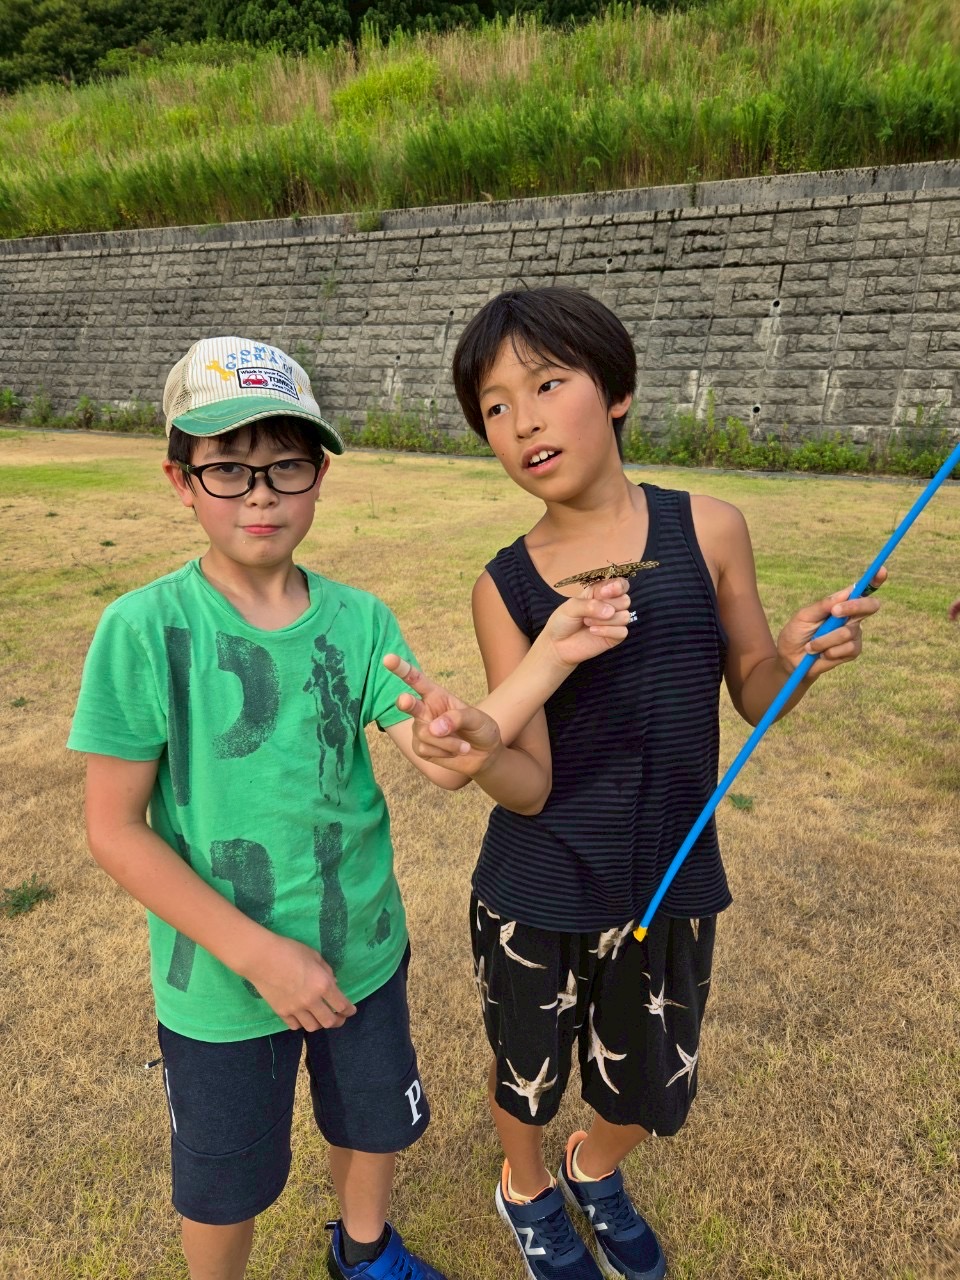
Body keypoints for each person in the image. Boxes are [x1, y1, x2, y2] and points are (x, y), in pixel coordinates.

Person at [66, 336, 635, 1280]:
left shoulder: (361, 621)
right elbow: (114, 829)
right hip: (222, 987)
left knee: (373, 1126)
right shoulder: (141, 630)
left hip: (364, 956)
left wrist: (535, 668)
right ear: (180, 482)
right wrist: (258, 954)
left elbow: (446, 762)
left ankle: (363, 1252)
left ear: (319, 478)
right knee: (224, 1185)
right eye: (227, 467)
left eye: (286, 466)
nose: (260, 494)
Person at [398, 288, 885, 1280]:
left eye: (547, 385)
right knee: (527, 1075)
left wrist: (795, 658)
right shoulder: (504, 584)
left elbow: (754, 690)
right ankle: (525, 1186)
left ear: (616, 391)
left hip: (673, 876)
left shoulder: (710, 528)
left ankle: (591, 1166)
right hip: (537, 886)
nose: (522, 421)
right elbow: (527, 782)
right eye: (495, 406)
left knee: (650, 1080)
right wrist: (481, 746)